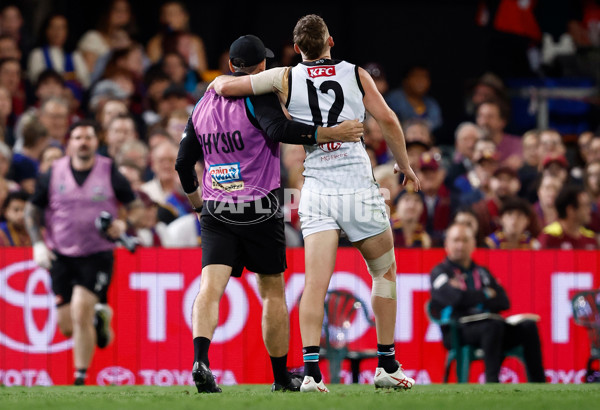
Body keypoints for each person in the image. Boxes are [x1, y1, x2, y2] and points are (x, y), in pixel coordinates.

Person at [212, 15, 419, 392]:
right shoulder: (357, 74)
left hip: (318, 189)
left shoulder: (284, 77)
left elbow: (227, 88)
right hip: (357, 185)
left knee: (314, 285)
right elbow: (388, 120)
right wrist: (404, 165)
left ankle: (310, 373)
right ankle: (386, 364)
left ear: (296, 48)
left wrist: (219, 80)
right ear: (331, 41)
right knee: (384, 274)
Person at [175, 34, 364, 394]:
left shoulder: (202, 104)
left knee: (210, 288)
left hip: (217, 209)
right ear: (261, 66)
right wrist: (329, 133)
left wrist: (200, 206)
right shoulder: (257, 94)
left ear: (231, 65)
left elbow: (183, 164)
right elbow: (277, 130)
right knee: (272, 294)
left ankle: (201, 360)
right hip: (260, 209)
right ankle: (280, 378)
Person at [24, 119, 136, 385]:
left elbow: (135, 204)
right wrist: (37, 243)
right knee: (66, 326)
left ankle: (80, 378)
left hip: (97, 253)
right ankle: (101, 318)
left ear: (96, 142)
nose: (83, 142)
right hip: (61, 255)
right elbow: (31, 210)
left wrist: (123, 223)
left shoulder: (109, 171)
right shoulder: (53, 173)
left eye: (88, 137)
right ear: (68, 143)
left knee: (80, 310)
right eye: (77, 138)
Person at [429, 223, 546, 383]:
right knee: (492, 326)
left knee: (528, 326)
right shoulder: (440, 272)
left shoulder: (482, 272)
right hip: (458, 331)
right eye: (456, 240)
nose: (460, 245)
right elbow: (454, 298)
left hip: (490, 327)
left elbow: (504, 301)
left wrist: (467, 296)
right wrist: (485, 294)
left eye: (465, 240)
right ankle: (492, 382)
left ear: (473, 244)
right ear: (446, 244)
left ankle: (539, 383)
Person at [537, 185, 597, 249]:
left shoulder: (590, 238)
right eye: (585, 206)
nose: (590, 210)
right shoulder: (549, 236)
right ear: (570, 210)